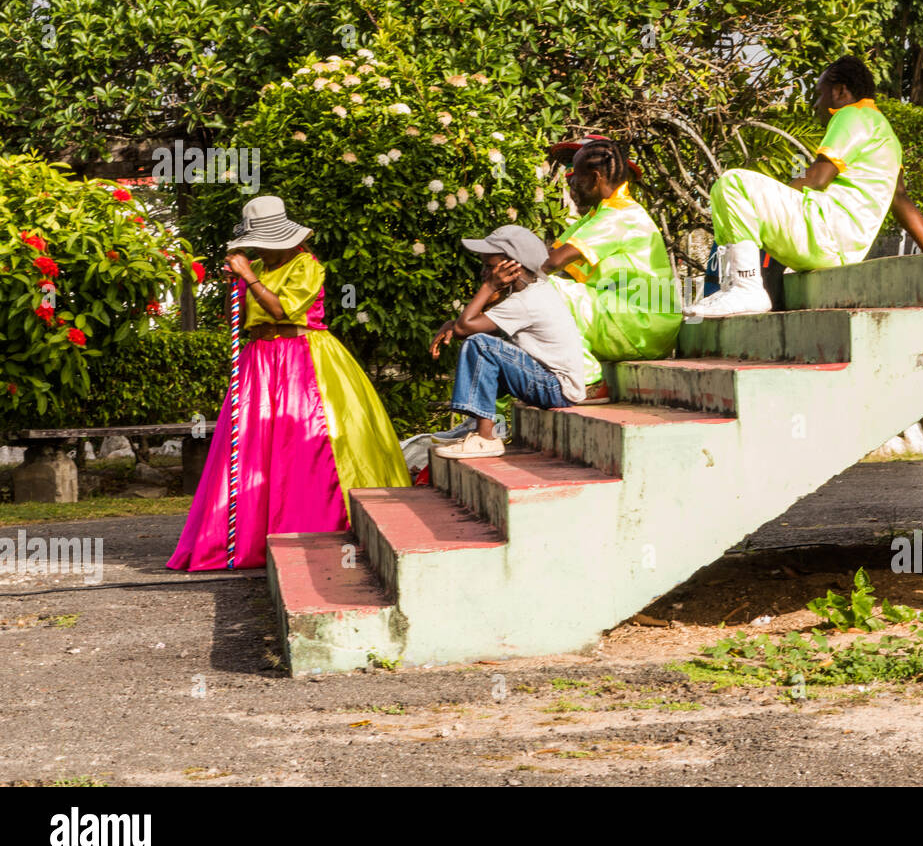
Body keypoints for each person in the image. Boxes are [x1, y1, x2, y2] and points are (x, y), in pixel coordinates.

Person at [168, 196, 409, 572]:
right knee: (253, 446)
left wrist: (249, 278)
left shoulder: (307, 266)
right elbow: (251, 316)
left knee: (303, 446)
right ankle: (245, 538)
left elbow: (283, 309)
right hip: (259, 361)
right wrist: (241, 284)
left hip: (303, 360)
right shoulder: (260, 266)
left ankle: (315, 528)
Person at [687, 55, 904, 317]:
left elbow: (817, 178)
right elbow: (901, 199)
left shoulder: (852, 115)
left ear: (840, 91)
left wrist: (768, 204)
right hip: (842, 248)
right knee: (746, 206)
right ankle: (740, 287)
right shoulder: (887, 135)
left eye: (819, 94)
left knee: (733, 184)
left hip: (826, 235)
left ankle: (746, 287)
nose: (815, 105)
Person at [429, 225, 587, 460]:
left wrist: (489, 287)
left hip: (556, 388)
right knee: (485, 345)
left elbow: (465, 329)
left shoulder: (526, 301)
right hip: (552, 383)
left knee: (480, 345)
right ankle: (479, 424)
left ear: (514, 267)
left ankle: (485, 439)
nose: (485, 273)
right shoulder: (531, 292)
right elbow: (469, 324)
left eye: (490, 267)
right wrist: (454, 322)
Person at [541, 137, 682, 397]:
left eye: (576, 176)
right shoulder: (600, 214)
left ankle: (590, 381)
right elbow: (551, 255)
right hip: (630, 321)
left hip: (643, 327)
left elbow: (552, 263)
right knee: (534, 290)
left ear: (595, 178)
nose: (571, 182)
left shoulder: (620, 215)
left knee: (541, 290)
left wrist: (497, 288)